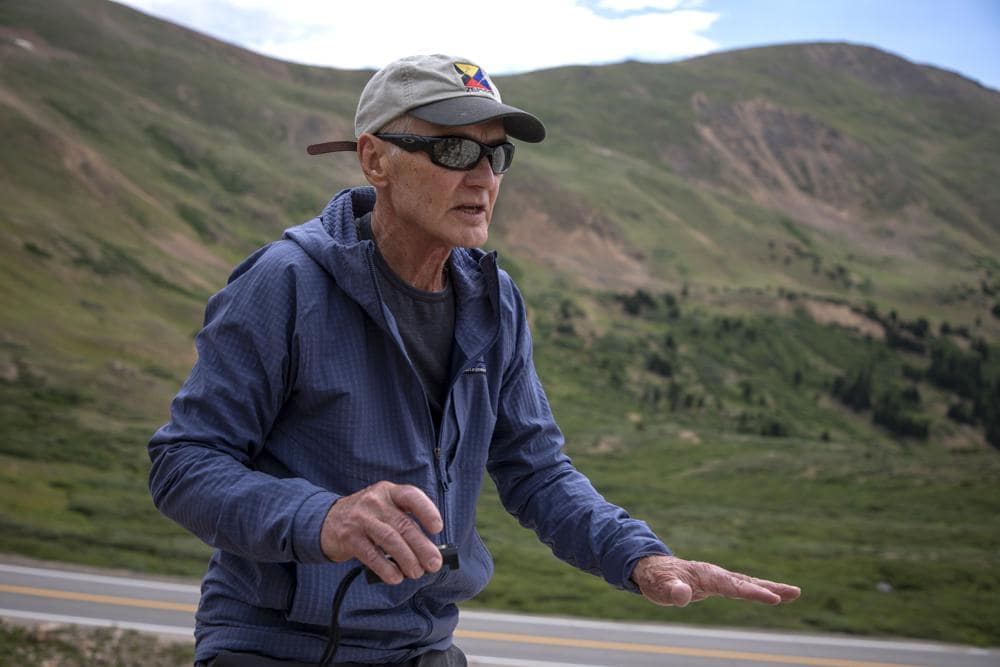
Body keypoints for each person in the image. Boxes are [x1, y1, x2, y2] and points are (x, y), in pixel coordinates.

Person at [149, 54, 800, 667]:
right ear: (375, 160)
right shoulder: (284, 283)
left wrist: (640, 558)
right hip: (274, 648)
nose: (484, 176)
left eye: (497, 155)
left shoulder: (495, 301)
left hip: (424, 646)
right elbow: (184, 463)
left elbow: (537, 473)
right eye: (454, 149)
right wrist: (323, 518)